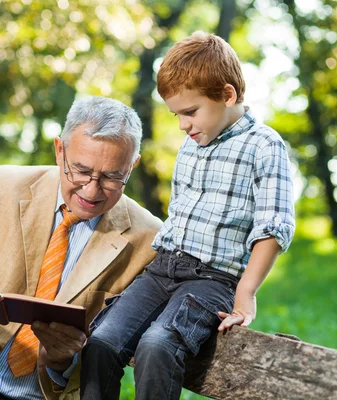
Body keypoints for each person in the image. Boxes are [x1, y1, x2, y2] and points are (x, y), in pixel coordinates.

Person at [0, 96, 161, 400]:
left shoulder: (149, 238)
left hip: (43, 393)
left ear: (132, 166)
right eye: (80, 170)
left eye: (112, 177)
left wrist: (61, 360)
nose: (91, 189)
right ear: (59, 150)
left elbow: (109, 353)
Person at [80, 31, 296, 400]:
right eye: (176, 115)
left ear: (227, 95)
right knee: (101, 342)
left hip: (211, 281)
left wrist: (246, 293)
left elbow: (274, 226)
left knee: (158, 346)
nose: (182, 124)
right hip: (162, 270)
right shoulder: (191, 145)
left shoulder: (264, 145)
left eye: (190, 112)